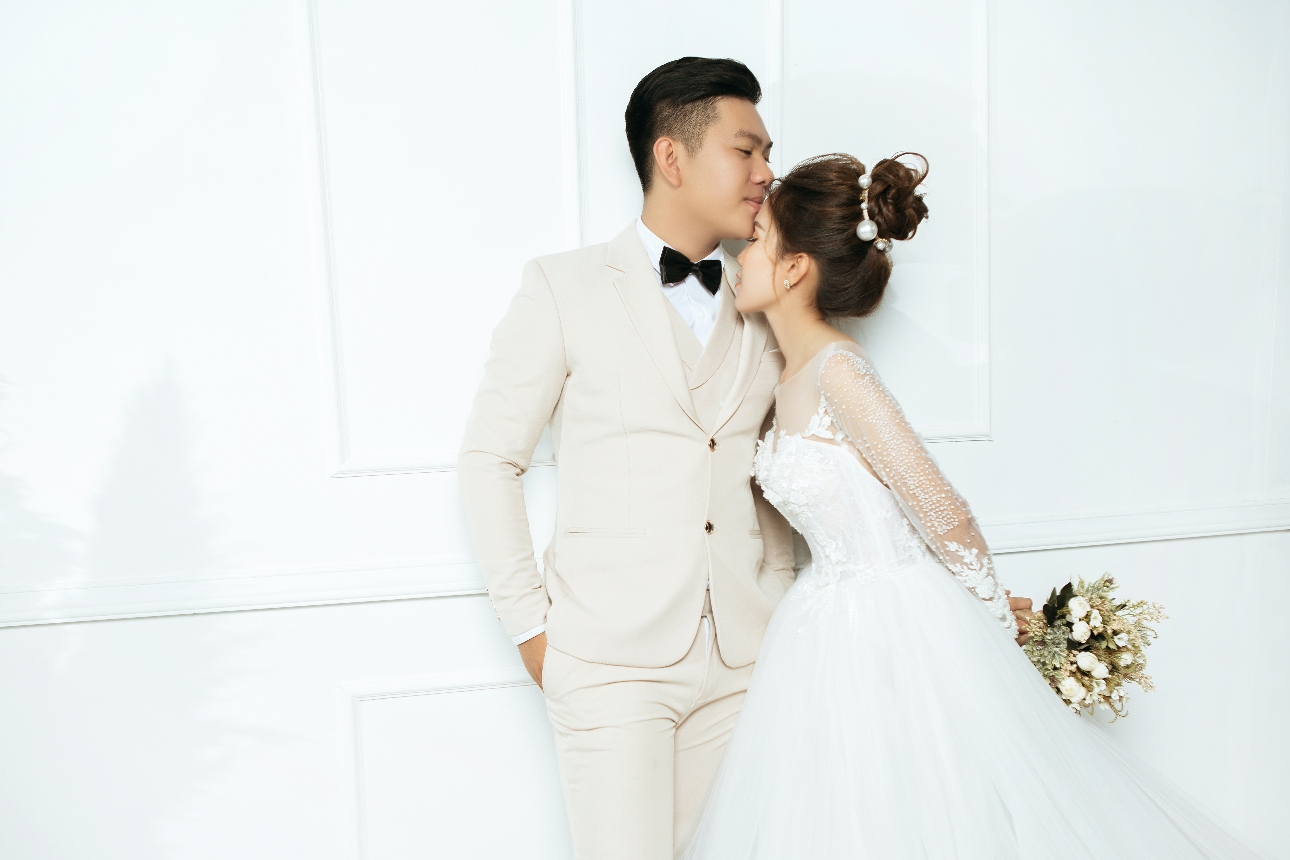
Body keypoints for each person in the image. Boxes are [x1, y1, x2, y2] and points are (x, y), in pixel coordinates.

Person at [680, 152, 1273, 859]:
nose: (741, 256)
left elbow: (941, 506)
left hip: (896, 619)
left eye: (759, 242)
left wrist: (990, 621)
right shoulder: (787, 376)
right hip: (822, 626)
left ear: (793, 269)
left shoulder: (842, 373)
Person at [457, 57, 798, 860]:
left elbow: (777, 472)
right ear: (670, 158)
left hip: (747, 658)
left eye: (767, 152)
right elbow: (488, 460)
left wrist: (778, 596)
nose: (765, 172)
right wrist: (536, 632)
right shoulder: (562, 287)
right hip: (607, 660)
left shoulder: (764, 295)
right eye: (745, 151)